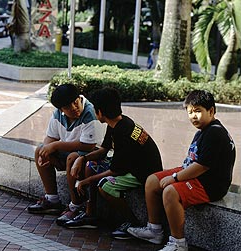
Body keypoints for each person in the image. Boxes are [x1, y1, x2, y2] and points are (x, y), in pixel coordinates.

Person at [127, 90, 236, 251]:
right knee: (152, 181)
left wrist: (176, 178)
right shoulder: (204, 130)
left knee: (171, 191)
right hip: (196, 174)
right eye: (190, 112)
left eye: (198, 111)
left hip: (210, 184)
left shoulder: (215, 133)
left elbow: (201, 167)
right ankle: (154, 229)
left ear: (212, 111)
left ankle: (178, 243)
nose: (193, 116)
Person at [59, 88, 163, 234]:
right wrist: (82, 159)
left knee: (105, 185)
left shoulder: (123, 132)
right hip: (130, 167)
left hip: (142, 174)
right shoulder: (117, 123)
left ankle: (132, 223)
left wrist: (85, 181)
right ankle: (90, 214)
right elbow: (103, 150)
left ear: (100, 112)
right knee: (91, 165)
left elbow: (116, 170)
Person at [27, 84, 103, 215]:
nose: (74, 108)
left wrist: (56, 146)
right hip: (69, 153)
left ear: (79, 98)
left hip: (91, 157)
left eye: (75, 102)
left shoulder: (90, 113)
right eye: (68, 107)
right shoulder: (57, 115)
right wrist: (45, 152)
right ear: (61, 109)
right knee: (40, 150)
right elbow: (51, 137)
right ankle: (52, 200)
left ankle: (76, 206)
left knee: (72, 158)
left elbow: (88, 146)